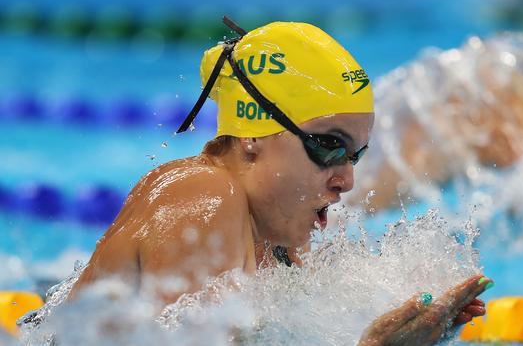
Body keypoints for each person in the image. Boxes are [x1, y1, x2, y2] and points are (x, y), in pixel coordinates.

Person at [68, 17, 490, 344]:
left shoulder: (271, 243)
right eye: (329, 146)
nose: (346, 179)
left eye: (356, 155)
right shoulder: (204, 197)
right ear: (254, 134)